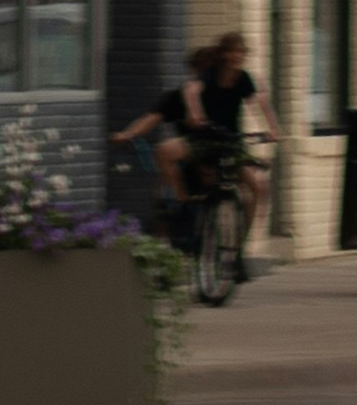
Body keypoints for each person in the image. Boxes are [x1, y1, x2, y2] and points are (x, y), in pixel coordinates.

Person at [114, 31, 266, 266]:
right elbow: (152, 118)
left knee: (250, 185)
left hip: (215, 158)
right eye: (198, 72)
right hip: (190, 164)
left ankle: (232, 247)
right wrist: (128, 134)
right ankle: (171, 232)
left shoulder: (223, 89)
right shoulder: (179, 97)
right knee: (165, 189)